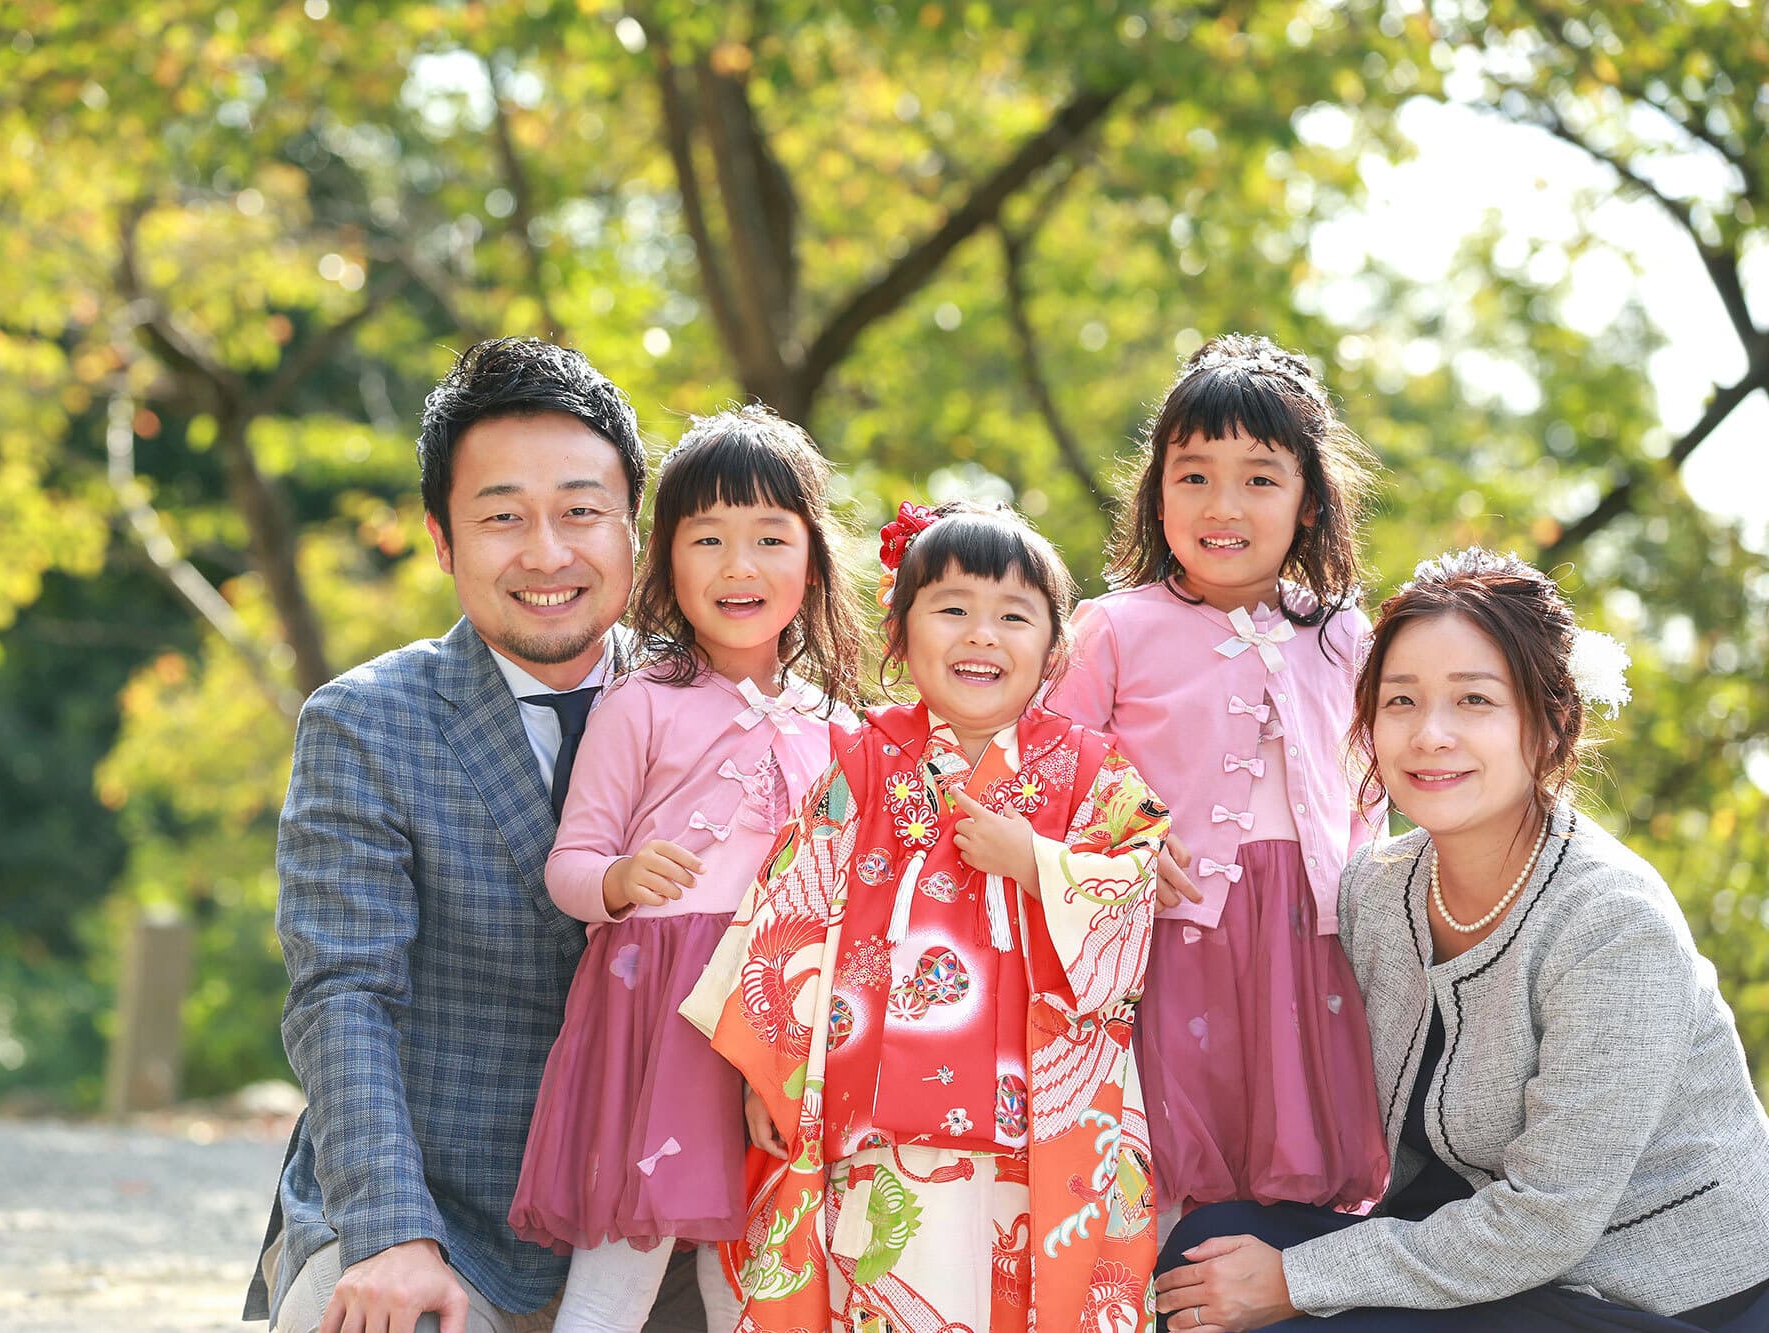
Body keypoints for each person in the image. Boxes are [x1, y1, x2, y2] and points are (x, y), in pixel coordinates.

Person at [1154, 548, 1769, 1332]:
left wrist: (1299, 1279)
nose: (1430, 734)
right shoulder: (1378, 888)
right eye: (1401, 701)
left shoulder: (1613, 924)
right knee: (1205, 1251)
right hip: (1472, 1247)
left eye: (1474, 699)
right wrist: (1125, 869)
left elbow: (1545, 1221)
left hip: (1652, 1294)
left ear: (1549, 724)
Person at [682, 501, 1174, 1333]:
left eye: (1013, 616)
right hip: (874, 1117)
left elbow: (1139, 873)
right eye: (952, 608)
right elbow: (791, 908)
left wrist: (1037, 861)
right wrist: (769, 1073)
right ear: (901, 635)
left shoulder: (1092, 770)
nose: (982, 634)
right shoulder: (866, 760)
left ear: (1054, 650)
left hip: (1038, 1122)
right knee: (891, 1284)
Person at [243, 338, 647, 1333]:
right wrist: (390, 1232)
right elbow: (343, 996)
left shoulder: (722, 708)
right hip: (441, 1213)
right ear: (441, 538)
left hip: (671, 1229)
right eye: (502, 516)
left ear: (634, 526)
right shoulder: (366, 723)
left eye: (581, 512)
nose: (546, 553)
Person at [506, 407, 864, 1332]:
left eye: (769, 538)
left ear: (813, 560)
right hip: (660, 1015)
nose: (738, 565)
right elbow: (570, 864)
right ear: (666, 560)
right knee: (618, 1274)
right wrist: (620, 879)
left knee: (752, 1275)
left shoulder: (841, 728)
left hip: (782, 1022)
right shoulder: (641, 702)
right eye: (708, 538)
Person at [1050, 333, 1390, 1222]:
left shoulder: (1347, 637)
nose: (1222, 504)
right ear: (1156, 492)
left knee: (1305, 1162)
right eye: (1194, 475)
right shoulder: (1113, 627)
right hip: (1171, 924)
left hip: (1315, 937)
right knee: (1165, 1165)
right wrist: (1121, 832)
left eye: (1260, 478)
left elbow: (1376, 794)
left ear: (1310, 501)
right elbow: (1052, 760)